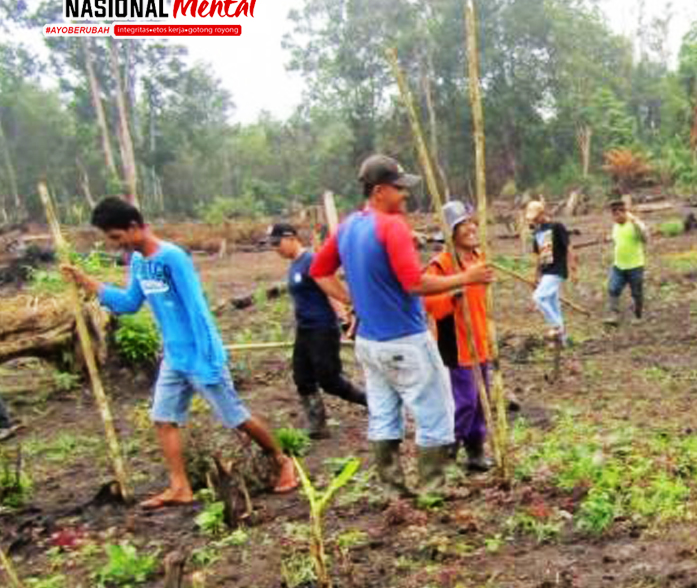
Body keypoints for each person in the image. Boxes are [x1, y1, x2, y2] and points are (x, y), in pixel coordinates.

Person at [64, 197, 298, 509]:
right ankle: (179, 487)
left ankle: (282, 460)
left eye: (117, 238)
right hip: (174, 358)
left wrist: (210, 359)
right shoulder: (139, 263)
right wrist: (88, 283)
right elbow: (130, 303)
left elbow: (197, 309)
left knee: (235, 417)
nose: (116, 245)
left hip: (201, 355)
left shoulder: (172, 258)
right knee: (163, 419)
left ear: (134, 227)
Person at [310, 154, 493, 495]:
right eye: (399, 189)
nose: (405, 195)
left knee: (383, 414)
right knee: (436, 410)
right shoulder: (392, 226)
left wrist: (353, 301)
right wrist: (465, 278)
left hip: (369, 344)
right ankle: (433, 487)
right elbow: (414, 284)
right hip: (405, 339)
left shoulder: (349, 226)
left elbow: (319, 272)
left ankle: (393, 488)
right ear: (379, 191)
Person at [268, 223, 367, 439]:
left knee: (330, 380)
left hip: (322, 328)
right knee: (302, 377)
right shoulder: (294, 264)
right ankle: (317, 425)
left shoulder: (311, 261)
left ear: (292, 237)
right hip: (304, 329)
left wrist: (344, 319)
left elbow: (330, 292)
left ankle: (370, 401)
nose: (276, 249)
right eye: (273, 245)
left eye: (278, 243)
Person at [422, 201, 495, 475]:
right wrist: (454, 292)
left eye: (471, 222)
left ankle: (475, 453)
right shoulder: (440, 265)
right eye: (463, 224)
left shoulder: (477, 259)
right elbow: (429, 303)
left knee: (482, 400)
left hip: (479, 339)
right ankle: (446, 454)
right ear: (450, 232)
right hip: (456, 343)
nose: (471, 227)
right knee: (464, 403)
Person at [525, 201, 574, 345]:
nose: (533, 221)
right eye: (531, 219)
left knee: (539, 298)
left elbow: (568, 247)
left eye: (535, 217)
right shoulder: (537, 233)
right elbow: (539, 257)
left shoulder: (557, 227)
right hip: (546, 272)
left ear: (542, 213)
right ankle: (563, 341)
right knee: (553, 304)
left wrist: (573, 267)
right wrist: (535, 276)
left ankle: (557, 327)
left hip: (557, 270)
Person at [604, 199, 647, 324]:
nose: (615, 217)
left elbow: (645, 238)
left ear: (624, 213)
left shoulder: (635, 225)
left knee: (636, 293)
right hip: (619, 266)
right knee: (613, 289)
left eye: (617, 214)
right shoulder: (615, 226)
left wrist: (635, 222)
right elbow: (617, 240)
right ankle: (614, 315)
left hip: (635, 266)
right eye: (613, 215)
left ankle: (637, 316)